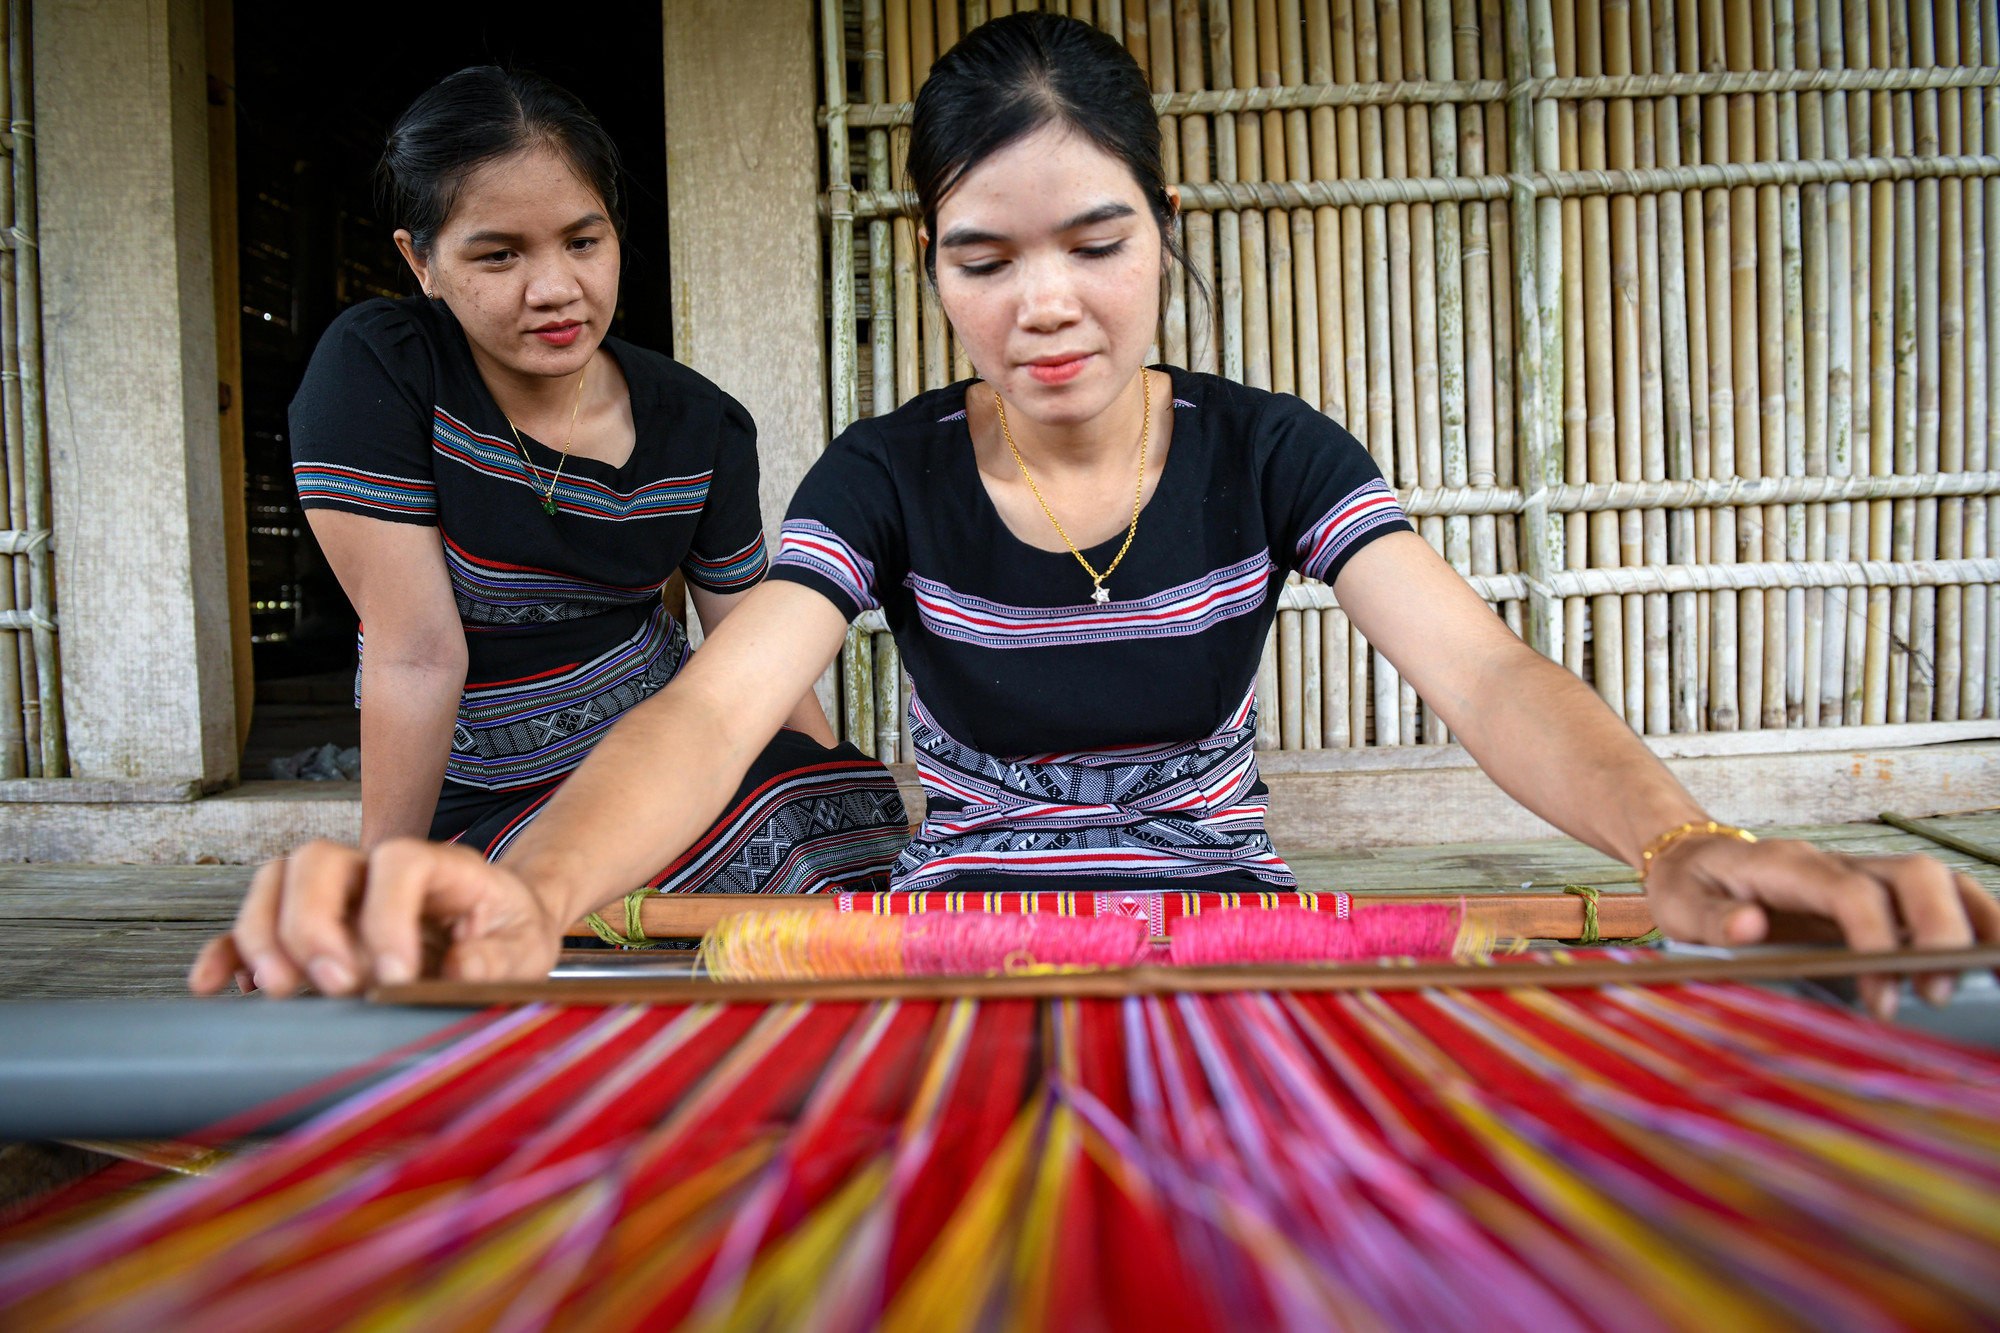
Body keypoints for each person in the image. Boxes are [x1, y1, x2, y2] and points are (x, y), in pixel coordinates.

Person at [193, 17, 1998, 1017]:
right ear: (936, 273)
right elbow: (715, 706)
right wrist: (532, 892)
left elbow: (1487, 670)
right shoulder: (884, 476)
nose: (1048, 301)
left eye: (1097, 241)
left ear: (1167, 233)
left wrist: (1677, 842)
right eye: (988, 259)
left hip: (1234, 932)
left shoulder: (1274, 453)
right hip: (952, 941)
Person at [246, 67, 910, 953]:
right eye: (499, 255)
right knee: (547, 881)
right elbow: (416, 652)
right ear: (420, 261)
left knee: (815, 797)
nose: (554, 288)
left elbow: (755, 654)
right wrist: (386, 888)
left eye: (582, 243)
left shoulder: (699, 423)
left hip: (660, 771)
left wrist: (816, 780)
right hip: (492, 798)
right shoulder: (383, 371)